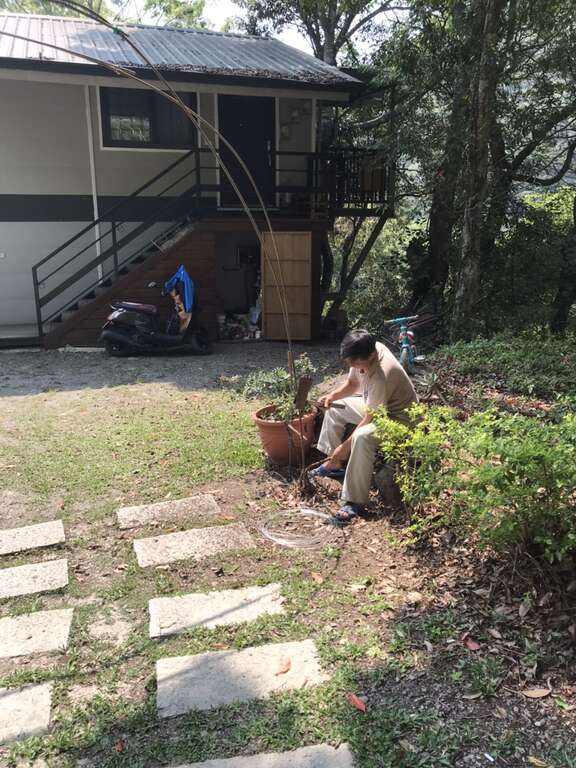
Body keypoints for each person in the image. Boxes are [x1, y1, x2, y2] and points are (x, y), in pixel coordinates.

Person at [311, 328, 418, 525]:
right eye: (349, 362)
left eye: (354, 363)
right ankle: (333, 464)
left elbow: (372, 418)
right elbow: (353, 384)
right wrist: (331, 396)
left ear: (370, 356)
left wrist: (344, 447)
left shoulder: (381, 375)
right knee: (335, 408)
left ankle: (355, 501)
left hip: (400, 419)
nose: (352, 366)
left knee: (362, 437)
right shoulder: (364, 348)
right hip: (378, 406)